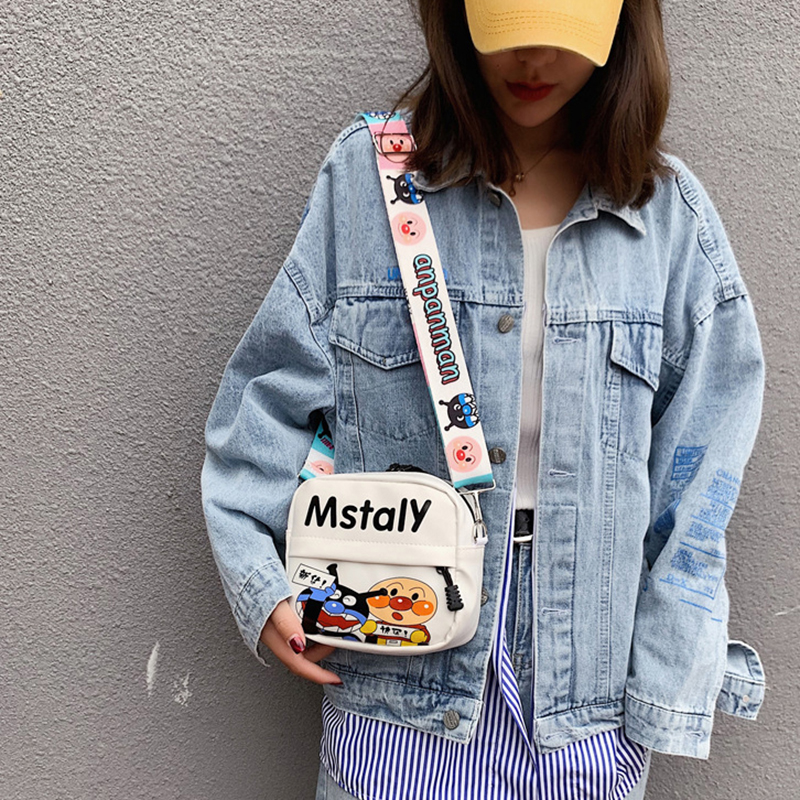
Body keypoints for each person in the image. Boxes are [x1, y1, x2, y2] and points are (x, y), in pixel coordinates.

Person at [202, 1, 767, 798]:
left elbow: (701, 472)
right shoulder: (371, 178)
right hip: (400, 675)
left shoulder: (669, 221)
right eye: (509, 24)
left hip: (583, 703)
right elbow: (264, 396)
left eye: (561, 33)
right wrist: (260, 585)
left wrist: (667, 679)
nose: (533, 59)